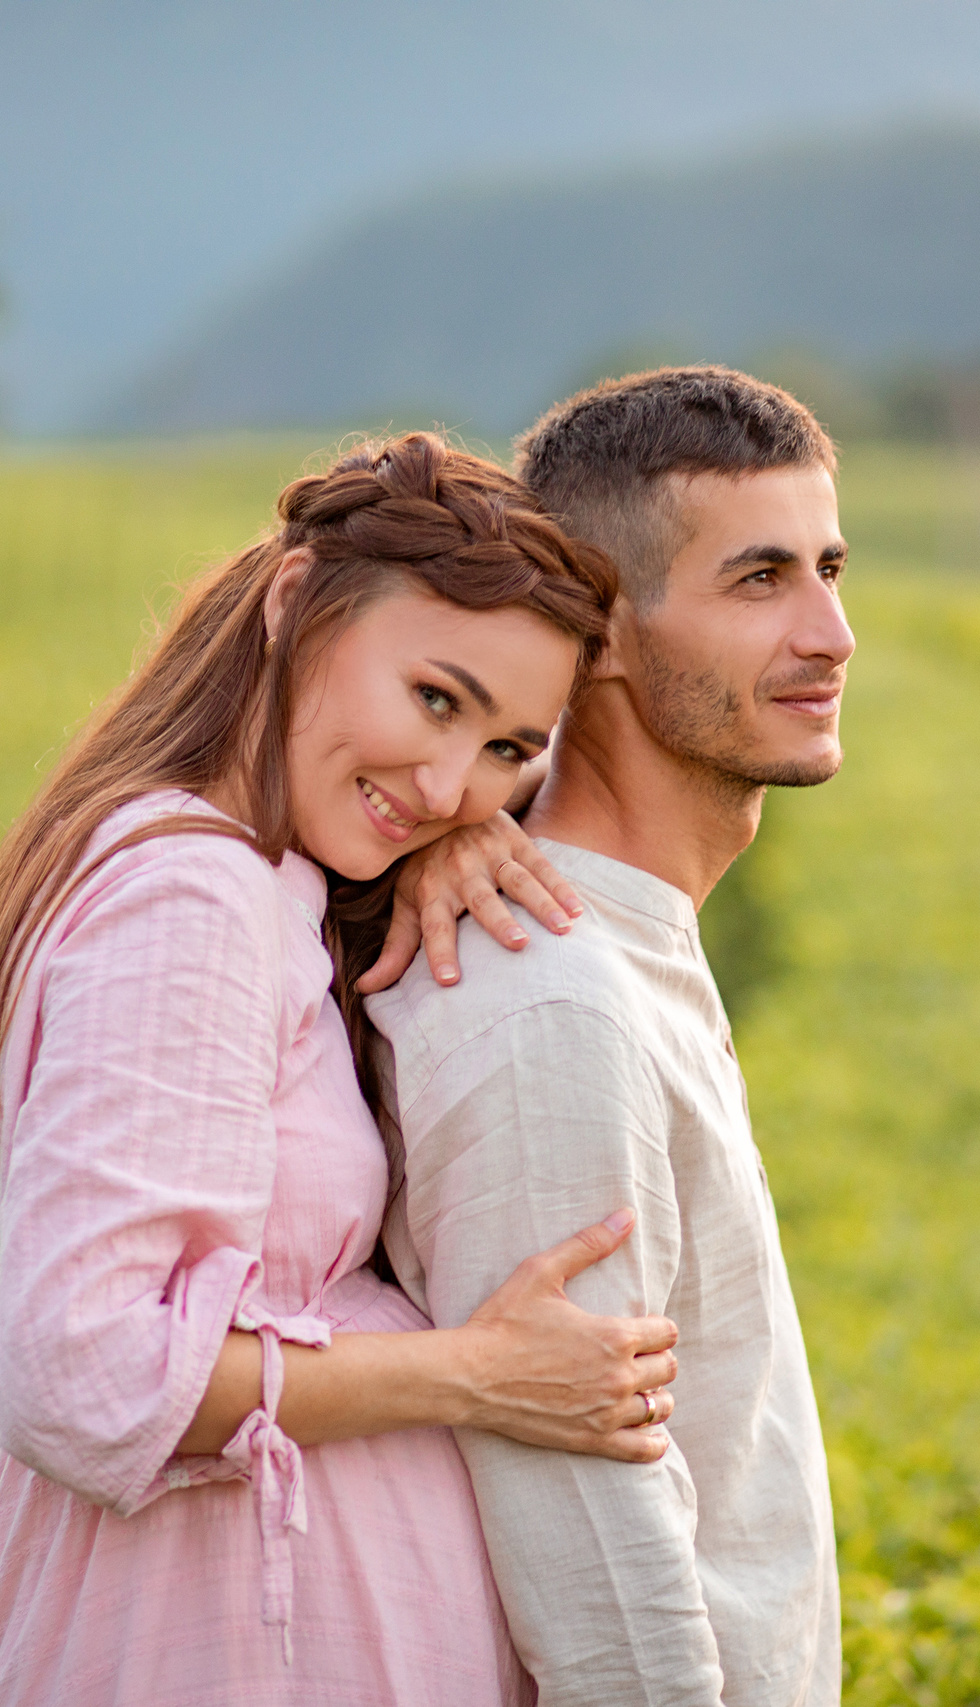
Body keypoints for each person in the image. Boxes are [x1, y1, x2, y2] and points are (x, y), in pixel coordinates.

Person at [0, 433, 685, 1705]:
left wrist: (442, 841)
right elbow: (84, 1370)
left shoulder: (259, 874)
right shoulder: (191, 893)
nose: (448, 785)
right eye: (435, 698)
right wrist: (479, 1374)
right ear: (291, 607)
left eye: (509, 750)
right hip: (206, 1635)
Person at [364, 368, 853, 1707]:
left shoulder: (617, 949)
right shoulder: (551, 999)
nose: (832, 631)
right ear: (602, 630)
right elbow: (586, 1523)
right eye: (759, 579)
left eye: (829, 565)